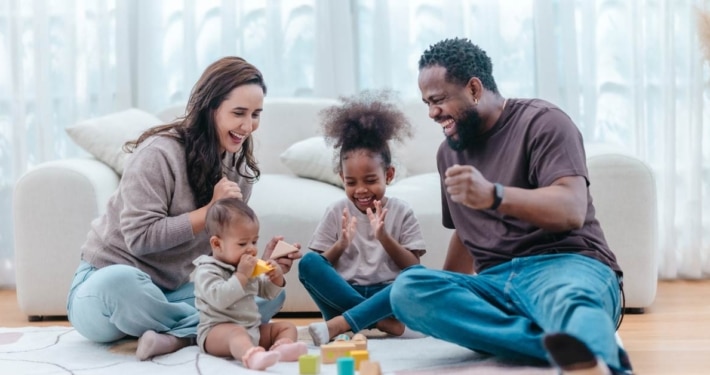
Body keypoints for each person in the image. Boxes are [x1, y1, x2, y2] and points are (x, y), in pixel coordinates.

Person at [389, 38, 633, 375]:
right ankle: (565, 348)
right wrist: (444, 291)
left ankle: (598, 362)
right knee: (408, 289)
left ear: (474, 89)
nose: (432, 113)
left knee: (571, 301)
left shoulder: (543, 122)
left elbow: (571, 208)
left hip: (563, 265)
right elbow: (465, 230)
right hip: (495, 284)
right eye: (427, 103)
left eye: (439, 100)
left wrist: (494, 195)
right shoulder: (449, 153)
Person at [65, 56, 302, 360]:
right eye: (238, 113)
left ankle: (170, 335)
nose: (248, 125)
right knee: (122, 284)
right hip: (108, 288)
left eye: (256, 114)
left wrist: (259, 265)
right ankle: (195, 333)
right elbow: (139, 239)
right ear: (210, 108)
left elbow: (221, 253)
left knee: (268, 291)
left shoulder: (239, 173)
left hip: (172, 294)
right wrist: (209, 210)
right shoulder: (159, 155)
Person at [298, 90, 427, 346]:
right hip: (344, 294)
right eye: (351, 182)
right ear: (340, 177)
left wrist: (384, 237)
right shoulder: (336, 211)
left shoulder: (401, 211)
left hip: (385, 295)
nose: (361, 190)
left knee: (419, 276)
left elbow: (412, 266)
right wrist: (340, 245)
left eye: (370, 180)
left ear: (389, 175)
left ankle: (343, 323)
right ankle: (375, 321)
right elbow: (321, 267)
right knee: (308, 263)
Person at [193, 197, 307, 370]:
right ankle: (252, 357)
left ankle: (283, 348)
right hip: (216, 333)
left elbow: (266, 293)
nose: (252, 249)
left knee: (287, 327)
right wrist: (241, 275)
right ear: (217, 244)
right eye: (242, 243)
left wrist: (275, 277)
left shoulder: (246, 267)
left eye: (254, 241)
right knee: (236, 333)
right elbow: (220, 299)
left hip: (252, 329)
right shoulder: (207, 270)